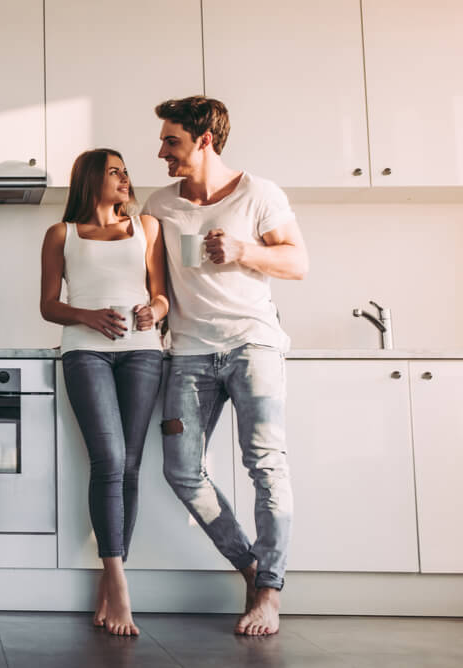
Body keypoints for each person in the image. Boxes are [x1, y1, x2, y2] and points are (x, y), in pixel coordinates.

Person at [142, 96, 309, 636]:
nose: (162, 150)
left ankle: (268, 594)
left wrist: (243, 251)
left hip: (252, 345)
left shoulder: (259, 193)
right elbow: (154, 281)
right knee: (182, 469)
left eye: (172, 140)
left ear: (204, 140)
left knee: (265, 464)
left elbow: (297, 262)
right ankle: (253, 567)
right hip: (189, 351)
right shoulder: (160, 204)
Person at [40, 148, 168, 636]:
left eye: (125, 171)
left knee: (130, 466)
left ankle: (110, 578)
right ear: (91, 178)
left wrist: (152, 311)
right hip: (84, 353)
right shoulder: (62, 235)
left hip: (143, 352)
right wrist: (87, 316)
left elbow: (160, 293)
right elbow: (49, 305)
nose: (124, 178)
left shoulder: (147, 228)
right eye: (114, 171)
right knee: (109, 460)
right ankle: (118, 583)